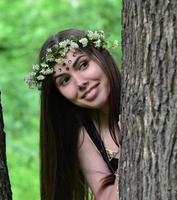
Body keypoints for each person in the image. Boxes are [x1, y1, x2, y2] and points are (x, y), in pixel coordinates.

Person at [25, 28, 121, 200]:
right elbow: (107, 197)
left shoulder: (145, 93)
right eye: (65, 80)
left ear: (102, 57)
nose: (80, 83)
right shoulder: (85, 136)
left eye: (83, 65)